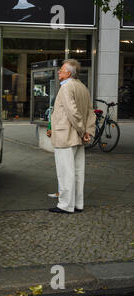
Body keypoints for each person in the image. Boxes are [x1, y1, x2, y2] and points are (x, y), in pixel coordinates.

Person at [49, 59, 96, 214]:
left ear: (68, 73)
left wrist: (83, 131)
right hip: (78, 137)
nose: (58, 72)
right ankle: (77, 204)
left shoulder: (66, 88)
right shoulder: (83, 87)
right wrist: (88, 132)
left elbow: (73, 113)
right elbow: (90, 113)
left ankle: (65, 205)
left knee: (65, 172)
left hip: (66, 136)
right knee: (77, 171)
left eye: (61, 70)